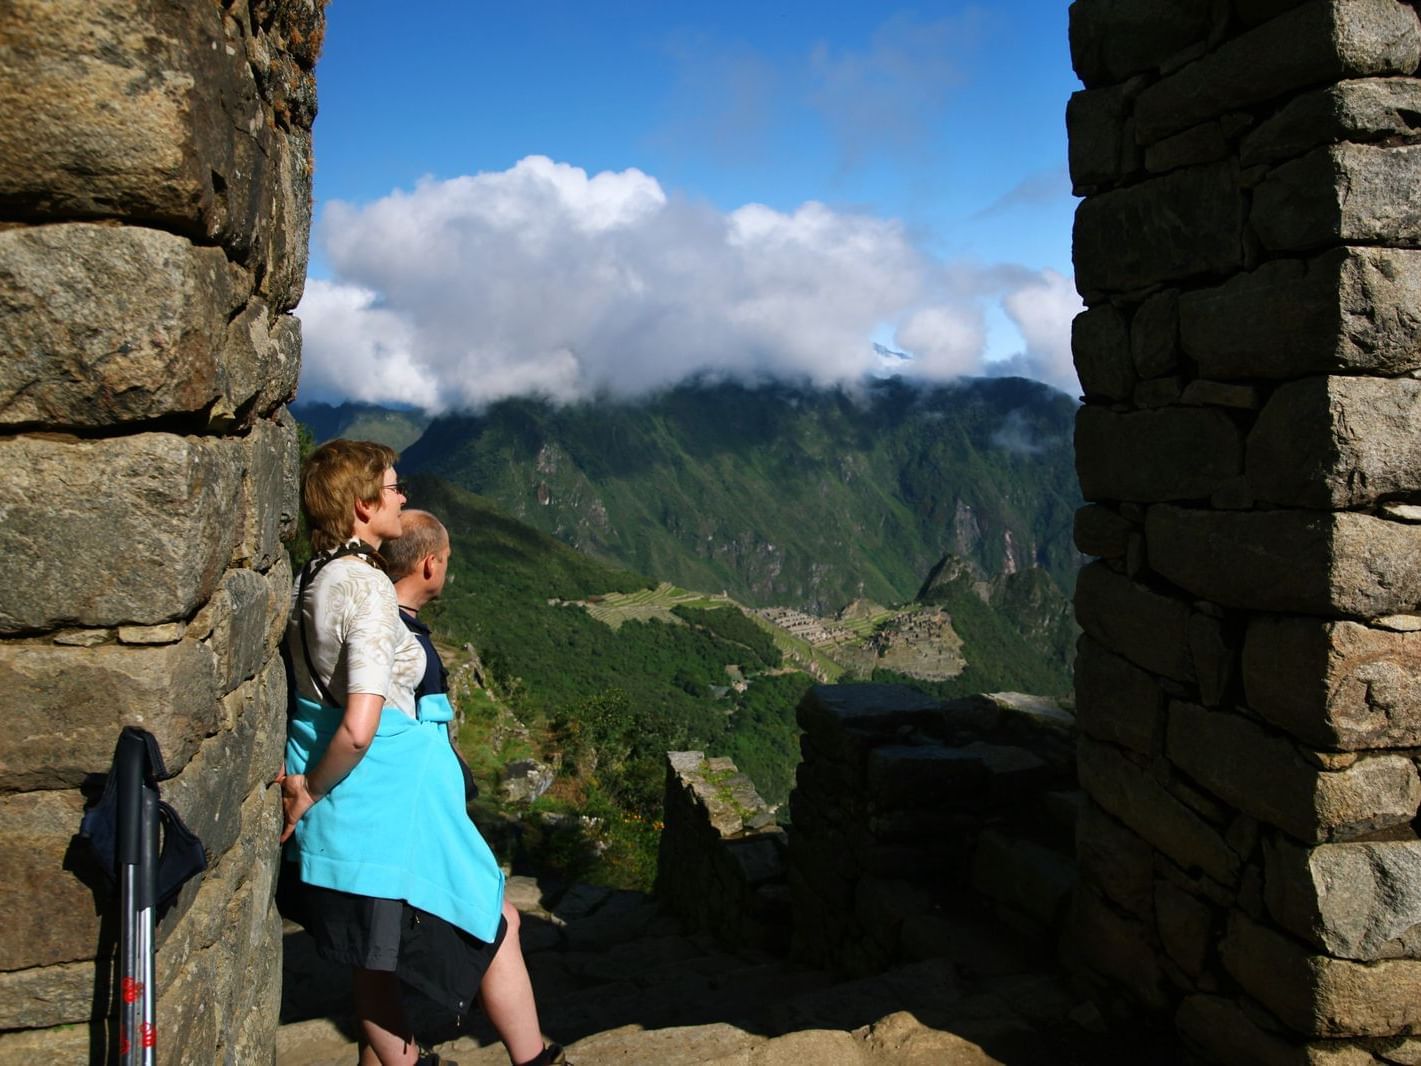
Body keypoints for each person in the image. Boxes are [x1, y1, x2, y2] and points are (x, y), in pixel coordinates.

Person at [278, 441, 564, 1066]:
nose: (402, 496)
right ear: (363, 504)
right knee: (485, 918)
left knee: (371, 950)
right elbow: (360, 726)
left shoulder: (312, 575)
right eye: (393, 486)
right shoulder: (370, 591)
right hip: (388, 798)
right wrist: (310, 789)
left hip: (366, 802)